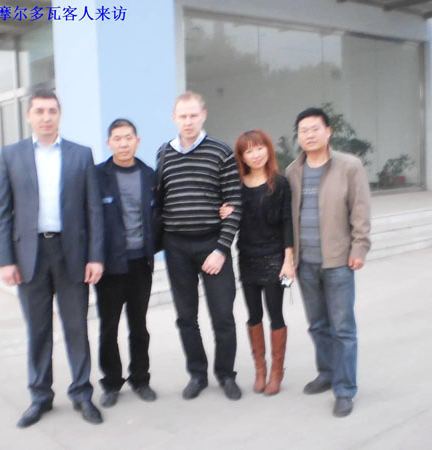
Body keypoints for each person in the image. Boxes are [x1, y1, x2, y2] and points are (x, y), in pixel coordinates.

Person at [0, 89, 105, 427]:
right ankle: (40, 396)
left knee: (76, 328)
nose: (46, 117)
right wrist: (5, 259)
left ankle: (82, 394)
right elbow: (2, 212)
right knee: (38, 331)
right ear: (28, 115)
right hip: (30, 256)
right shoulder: (11, 155)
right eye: (39, 111)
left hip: (71, 254)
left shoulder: (80, 155)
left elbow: (93, 210)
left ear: (59, 115)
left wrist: (95, 256)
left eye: (52, 111)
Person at [154, 91, 243, 400]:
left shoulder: (221, 152)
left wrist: (221, 249)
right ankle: (197, 374)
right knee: (185, 317)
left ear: (203, 115)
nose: (188, 121)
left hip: (212, 244)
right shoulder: (164, 154)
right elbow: (159, 200)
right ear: (174, 118)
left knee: (223, 317)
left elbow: (234, 204)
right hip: (176, 246)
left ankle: (226, 374)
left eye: (194, 115)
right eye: (183, 116)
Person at [285, 107, 371, 418]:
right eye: (303, 131)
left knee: (343, 329)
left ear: (328, 131)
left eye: (314, 129)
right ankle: (327, 373)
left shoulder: (349, 166)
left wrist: (359, 247)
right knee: (318, 325)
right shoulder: (293, 171)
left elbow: (360, 210)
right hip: (305, 263)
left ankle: (345, 389)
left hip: (338, 261)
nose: (309, 135)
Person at [220, 130, 294, 396]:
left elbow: (287, 222)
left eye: (259, 148)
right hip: (247, 258)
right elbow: (231, 219)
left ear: (268, 149)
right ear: (241, 157)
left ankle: (276, 371)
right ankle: (260, 369)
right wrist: (224, 212)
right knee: (253, 315)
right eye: (248, 151)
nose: (255, 154)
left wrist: (288, 260)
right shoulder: (237, 186)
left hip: (275, 259)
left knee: (275, 314)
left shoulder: (280, 184)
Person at [94, 118, 157, 408]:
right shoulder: (98, 176)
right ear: (109, 143)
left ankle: (140, 379)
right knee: (109, 328)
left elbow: (159, 215)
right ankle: (111, 382)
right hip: (110, 266)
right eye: (117, 138)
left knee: (139, 326)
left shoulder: (149, 175)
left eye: (128, 137)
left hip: (141, 264)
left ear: (137, 141)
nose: (123, 143)